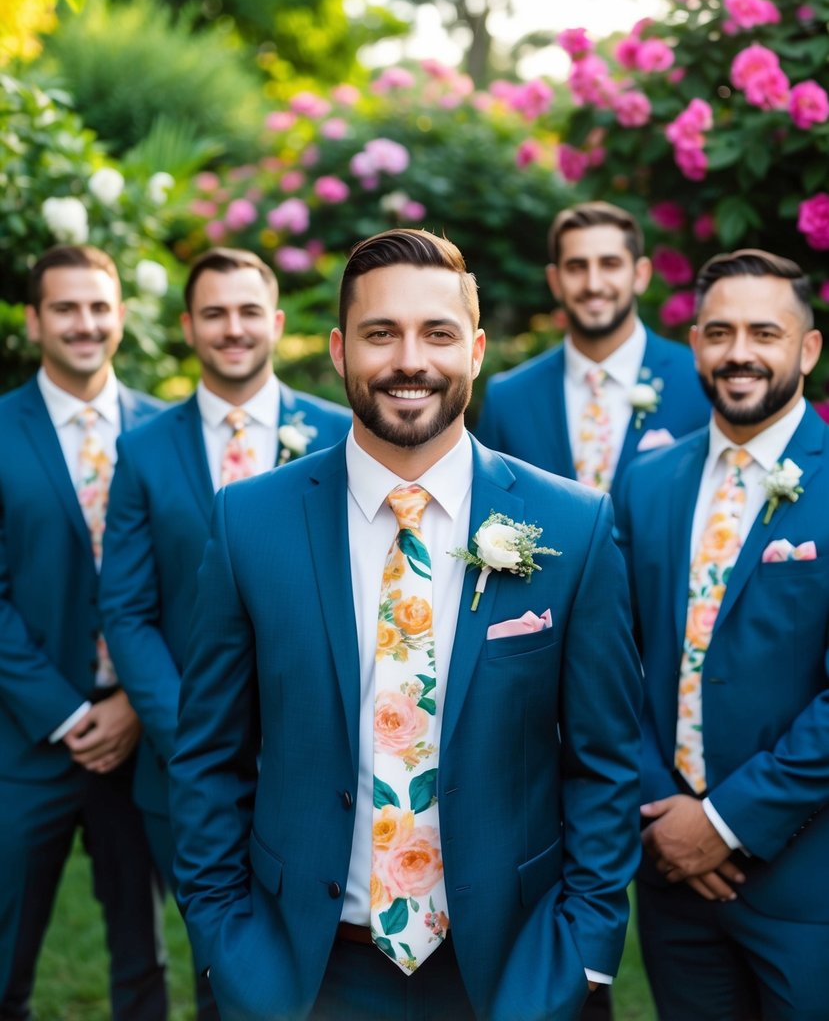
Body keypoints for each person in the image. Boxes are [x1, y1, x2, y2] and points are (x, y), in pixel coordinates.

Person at [168, 228, 642, 1021]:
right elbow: (209, 757)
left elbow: (605, 763)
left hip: (515, 973)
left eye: (438, 334)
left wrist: (582, 955)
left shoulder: (573, 525)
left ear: (476, 351)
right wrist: (228, 945)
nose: (409, 360)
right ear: (339, 350)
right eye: (381, 333)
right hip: (307, 974)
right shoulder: (248, 522)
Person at [99, 247, 351, 1020]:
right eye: (214, 313)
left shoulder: (338, 431)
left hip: (323, 765)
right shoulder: (144, 448)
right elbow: (128, 609)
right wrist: (197, 737)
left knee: (329, 969)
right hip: (188, 768)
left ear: (274, 321)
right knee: (222, 970)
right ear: (188, 327)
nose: (232, 328)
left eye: (247, 312)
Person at [615, 249, 829, 1021]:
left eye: (764, 333)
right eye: (719, 332)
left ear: (807, 348)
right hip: (671, 875)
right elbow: (609, 663)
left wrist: (725, 822)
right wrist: (663, 812)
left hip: (805, 881)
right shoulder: (645, 482)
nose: (739, 352)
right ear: (695, 344)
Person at [0, 245, 167, 1019]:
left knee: (145, 956)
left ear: (121, 316)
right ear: (34, 321)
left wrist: (135, 702)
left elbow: (188, 591)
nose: (85, 323)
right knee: (6, 960)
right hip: (27, 738)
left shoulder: (166, 432)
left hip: (140, 738)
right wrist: (67, 715)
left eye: (99, 306)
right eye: (65, 308)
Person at [476, 202, 710, 495]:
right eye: (577, 267)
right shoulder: (508, 398)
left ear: (640, 275)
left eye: (610, 264)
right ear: (555, 281)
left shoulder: (699, 380)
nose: (593, 284)